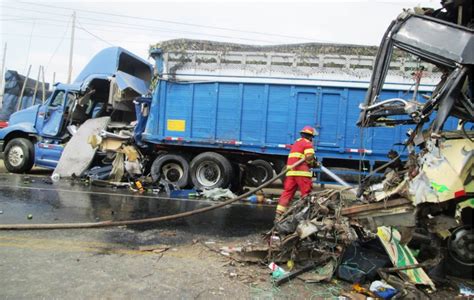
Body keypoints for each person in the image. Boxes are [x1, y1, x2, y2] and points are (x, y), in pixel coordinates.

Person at [276, 126, 318, 220]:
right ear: (310, 136)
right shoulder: (307, 143)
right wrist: (314, 163)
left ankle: (278, 215)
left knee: (287, 193)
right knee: (306, 194)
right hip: (302, 173)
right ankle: (305, 216)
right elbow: (309, 158)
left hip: (291, 172)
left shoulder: (296, 142)